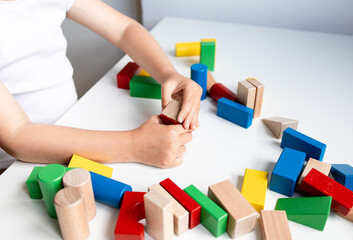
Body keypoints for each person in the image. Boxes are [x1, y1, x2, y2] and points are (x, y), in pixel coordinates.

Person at [0, 0, 202, 173]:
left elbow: (124, 30)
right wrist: (134, 145)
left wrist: (169, 74)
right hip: (17, 165)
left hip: (76, 126)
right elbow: (18, 135)